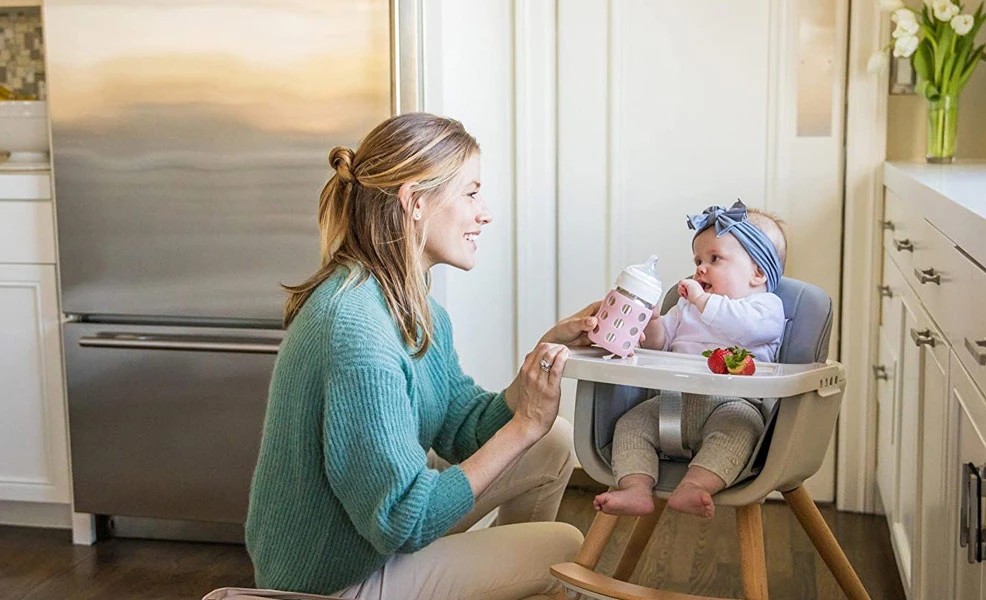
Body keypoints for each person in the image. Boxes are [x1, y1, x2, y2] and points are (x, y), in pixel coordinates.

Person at [245, 113, 599, 600]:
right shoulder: (356, 328)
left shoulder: (412, 308)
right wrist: (523, 426)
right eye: (471, 193)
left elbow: (462, 427)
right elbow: (400, 521)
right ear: (415, 202)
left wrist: (540, 360)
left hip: (368, 547)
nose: (485, 212)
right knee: (561, 546)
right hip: (331, 582)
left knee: (551, 442)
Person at [593, 201, 787, 520]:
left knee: (741, 431)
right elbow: (659, 343)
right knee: (630, 425)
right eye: (698, 260)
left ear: (758, 272)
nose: (700, 268)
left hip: (734, 404)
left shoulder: (766, 308)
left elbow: (743, 326)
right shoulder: (686, 309)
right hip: (673, 403)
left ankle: (695, 485)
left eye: (715, 259)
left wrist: (702, 299)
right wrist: (650, 322)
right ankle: (636, 488)